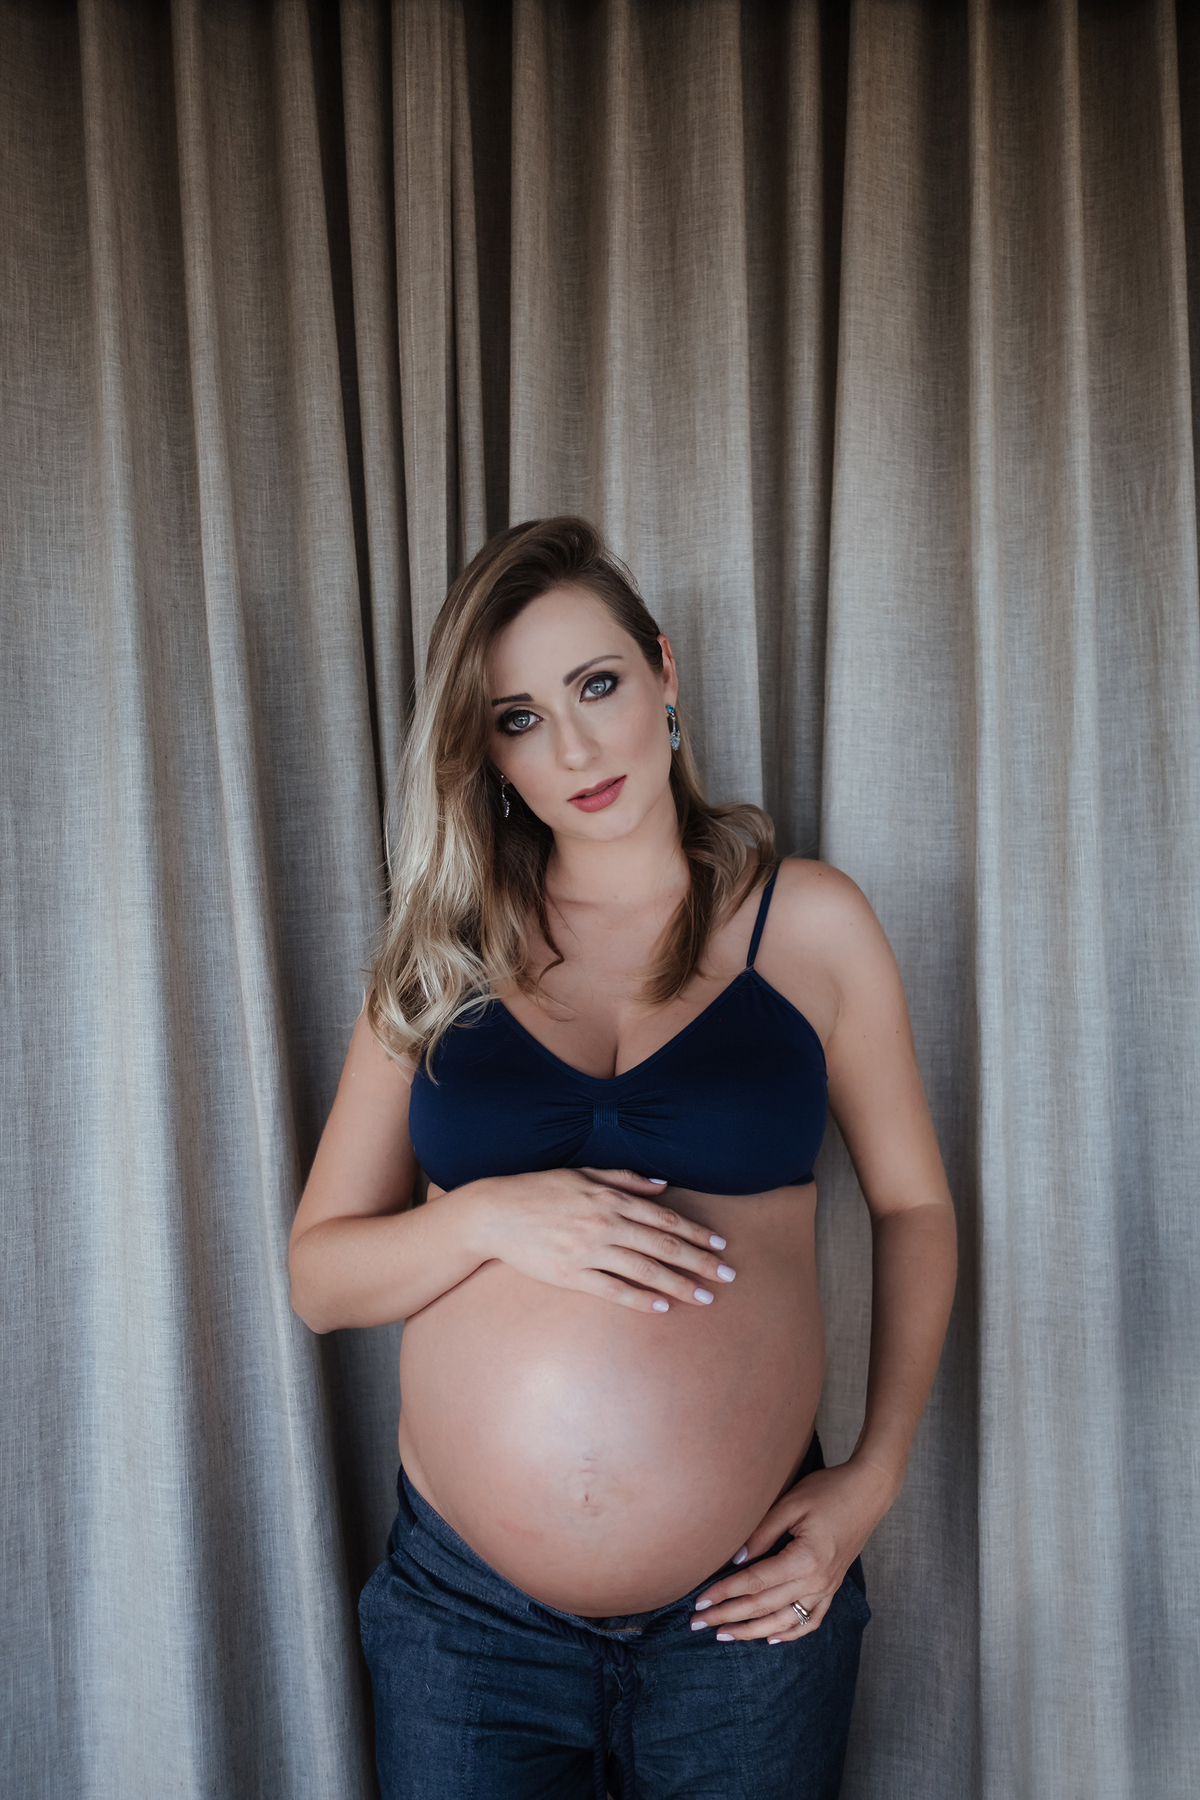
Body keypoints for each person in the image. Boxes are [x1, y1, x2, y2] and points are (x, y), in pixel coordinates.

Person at [288, 517, 958, 1800]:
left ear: (663, 670)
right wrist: (488, 1219)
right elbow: (320, 1279)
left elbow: (915, 1205)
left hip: (747, 1612)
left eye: (596, 685)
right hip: (467, 1626)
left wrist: (872, 1480)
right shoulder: (441, 953)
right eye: (520, 719)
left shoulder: (811, 922)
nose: (577, 748)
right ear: (487, 754)